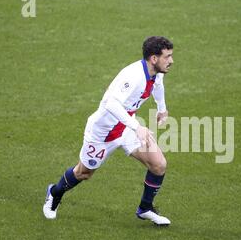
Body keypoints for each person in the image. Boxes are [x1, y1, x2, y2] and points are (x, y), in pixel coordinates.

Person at [43, 36, 174, 226]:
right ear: (154, 58)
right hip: (103, 133)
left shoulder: (157, 71)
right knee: (84, 173)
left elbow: (158, 84)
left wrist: (162, 108)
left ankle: (145, 208)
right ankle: (54, 193)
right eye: (167, 56)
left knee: (159, 164)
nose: (171, 61)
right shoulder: (134, 76)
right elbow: (111, 103)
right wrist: (137, 127)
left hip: (126, 127)